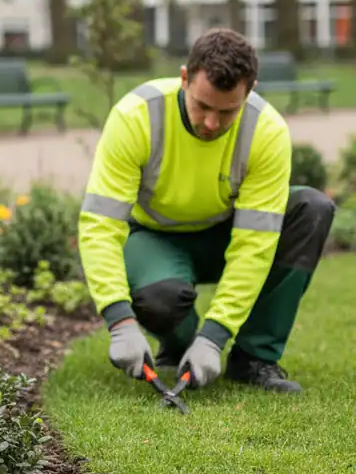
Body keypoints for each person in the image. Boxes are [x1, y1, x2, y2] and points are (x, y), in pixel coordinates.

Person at [78, 27, 336, 395]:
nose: (212, 124)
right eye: (202, 106)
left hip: (225, 232)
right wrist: (119, 321)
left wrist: (215, 336)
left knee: (311, 208)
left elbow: (254, 245)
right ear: (185, 78)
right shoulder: (136, 116)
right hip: (155, 238)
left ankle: (254, 358)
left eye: (227, 111)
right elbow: (101, 225)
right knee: (161, 302)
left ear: (250, 90)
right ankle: (179, 344)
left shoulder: (267, 131)